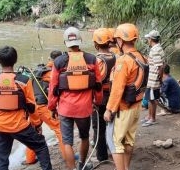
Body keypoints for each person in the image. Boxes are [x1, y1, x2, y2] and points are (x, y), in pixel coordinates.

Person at [0, 46, 52, 170]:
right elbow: (31, 106)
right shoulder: (24, 80)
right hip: (20, 126)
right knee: (41, 146)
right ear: (15, 60)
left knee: (1, 158)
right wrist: (37, 125)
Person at [47, 27, 103, 170]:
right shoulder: (91, 59)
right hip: (84, 109)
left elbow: (53, 88)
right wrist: (97, 101)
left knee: (67, 142)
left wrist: (52, 107)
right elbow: (98, 85)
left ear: (65, 42)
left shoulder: (59, 61)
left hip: (65, 109)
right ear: (80, 40)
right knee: (84, 137)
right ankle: (81, 165)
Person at [103, 23, 148, 170]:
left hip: (123, 108)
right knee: (129, 140)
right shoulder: (141, 56)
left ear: (121, 40)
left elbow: (117, 88)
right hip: (136, 106)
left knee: (115, 142)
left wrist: (109, 109)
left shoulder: (124, 60)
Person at [23, 50, 66, 165]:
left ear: (49, 59)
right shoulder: (53, 73)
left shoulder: (38, 71)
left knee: (34, 133)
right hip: (44, 107)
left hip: (32, 107)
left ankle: (30, 159)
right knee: (59, 129)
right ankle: (67, 156)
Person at [91, 28, 116, 162]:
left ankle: (101, 156)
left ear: (96, 44)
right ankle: (113, 149)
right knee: (111, 125)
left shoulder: (98, 60)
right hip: (112, 95)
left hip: (101, 97)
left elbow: (96, 81)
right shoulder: (115, 57)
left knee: (98, 126)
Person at [141, 30, 165, 127]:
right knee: (150, 98)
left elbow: (160, 67)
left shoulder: (155, 50)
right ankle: (149, 116)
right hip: (152, 78)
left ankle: (152, 118)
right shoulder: (157, 48)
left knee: (152, 99)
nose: (147, 40)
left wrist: (159, 79)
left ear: (151, 39)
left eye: (148, 38)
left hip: (153, 79)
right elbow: (157, 63)